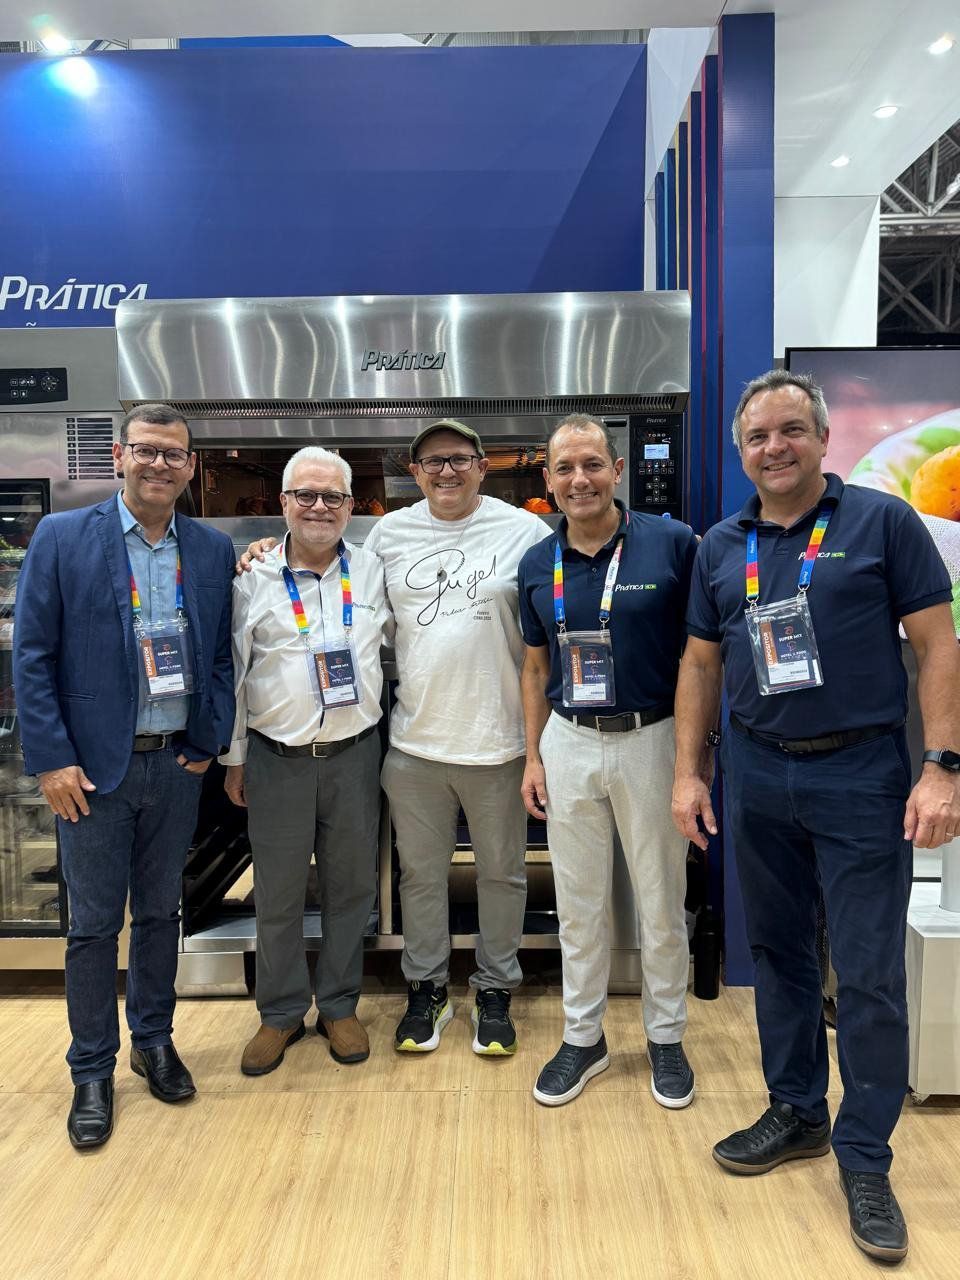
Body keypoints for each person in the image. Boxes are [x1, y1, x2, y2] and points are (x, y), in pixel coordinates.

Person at [671, 369, 960, 1265]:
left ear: (822, 439)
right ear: (741, 451)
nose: (775, 448)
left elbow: (938, 645)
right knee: (783, 956)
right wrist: (691, 773)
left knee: (869, 971)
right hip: (758, 775)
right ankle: (796, 1110)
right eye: (758, 437)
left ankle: (864, 1154)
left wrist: (943, 767)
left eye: (791, 430)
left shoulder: (882, 521)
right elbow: (699, 667)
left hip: (864, 773)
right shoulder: (723, 544)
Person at [241, 420, 548, 1055]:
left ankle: (493, 990)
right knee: (416, 879)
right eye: (433, 461)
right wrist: (256, 551)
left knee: (500, 876)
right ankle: (422, 990)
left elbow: (563, 602)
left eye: (460, 459)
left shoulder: (525, 530)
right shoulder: (386, 537)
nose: (447, 471)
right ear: (414, 470)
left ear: (482, 466)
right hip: (410, 747)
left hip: (498, 744)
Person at [13, 404, 235, 1149]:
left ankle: (153, 1040)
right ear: (118, 455)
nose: (160, 465)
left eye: (175, 455)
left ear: (192, 467)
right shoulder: (62, 537)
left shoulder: (206, 548)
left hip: (174, 764)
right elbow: (32, 657)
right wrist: (49, 758)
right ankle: (91, 1069)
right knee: (92, 927)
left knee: (163, 915)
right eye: (147, 451)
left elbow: (220, 658)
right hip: (89, 775)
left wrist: (205, 743)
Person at [518, 415, 698, 1108]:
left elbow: (698, 660)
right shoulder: (538, 563)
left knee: (660, 901)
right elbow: (535, 670)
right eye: (565, 469)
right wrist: (533, 756)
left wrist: (690, 761)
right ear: (549, 481)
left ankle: (665, 1038)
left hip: (650, 738)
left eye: (592, 464)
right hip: (567, 739)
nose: (579, 480)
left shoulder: (671, 544)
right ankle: (582, 1036)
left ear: (617, 470)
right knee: (580, 902)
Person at [224, 447, 390, 1076]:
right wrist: (234, 759)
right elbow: (237, 674)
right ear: (284, 502)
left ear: (352, 505)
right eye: (306, 495)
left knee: (351, 888)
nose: (319, 507)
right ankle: (282, 1011)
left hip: (356, 756)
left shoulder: (375, 570)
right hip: (276, 758)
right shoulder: (252, 577)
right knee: (279, 893)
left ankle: (341, 1004)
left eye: (333, 497)